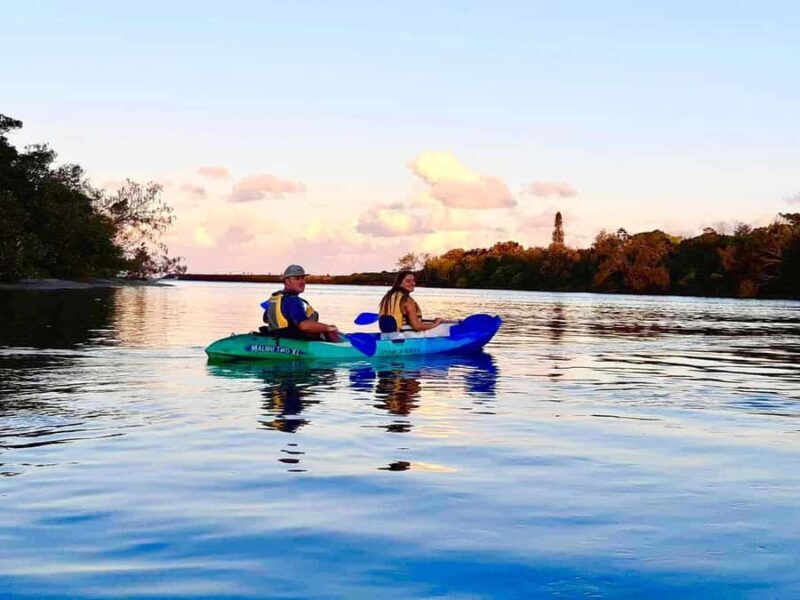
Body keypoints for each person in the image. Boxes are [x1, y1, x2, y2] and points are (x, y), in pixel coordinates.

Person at [262, 265, 340, 342]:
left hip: (278, 337)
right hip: (292, 340)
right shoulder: (293, 300)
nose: (302, 282)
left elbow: (265, 319)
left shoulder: (275, 297)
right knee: (329, 331)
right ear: (287, 281)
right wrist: (328, 328)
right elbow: (303, 325)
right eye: (297, 279)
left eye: (303, 278)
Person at [378, 270, 443, 332]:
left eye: (413, 281)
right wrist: (435, 324)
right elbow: (417, 326)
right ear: (399, 283)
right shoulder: (407, 300)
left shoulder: (388, 297)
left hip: (386, 336)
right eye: (408, 281)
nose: (413, 284)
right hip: (405, 336)